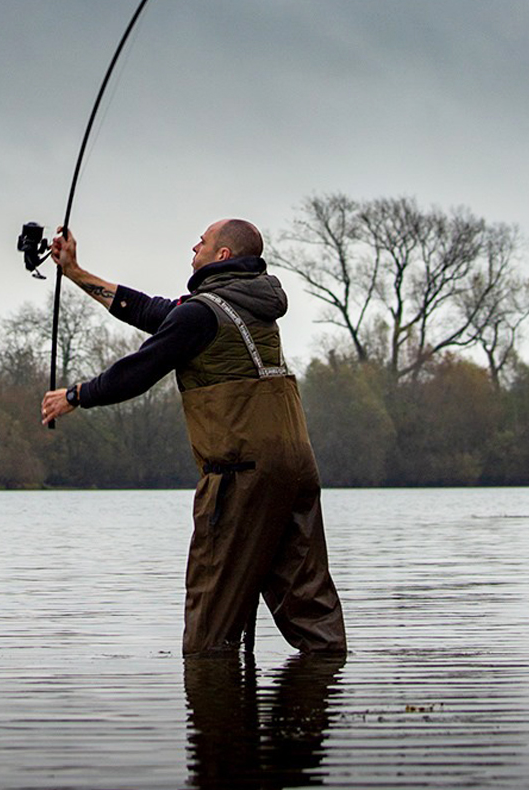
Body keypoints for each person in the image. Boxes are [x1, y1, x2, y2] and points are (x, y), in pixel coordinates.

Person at [41, 219, 346, 656]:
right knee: (308, 601)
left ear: (222, 256)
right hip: (296, 467)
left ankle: (214, 711)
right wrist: (75, 272)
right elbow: (147, 310)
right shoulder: (250, 306)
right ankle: (323, 697)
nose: (194, 246)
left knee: (211, 623)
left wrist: (76, 395)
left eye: (202, 241)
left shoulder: (201, 314)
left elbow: (140, 371)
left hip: (240, 473)